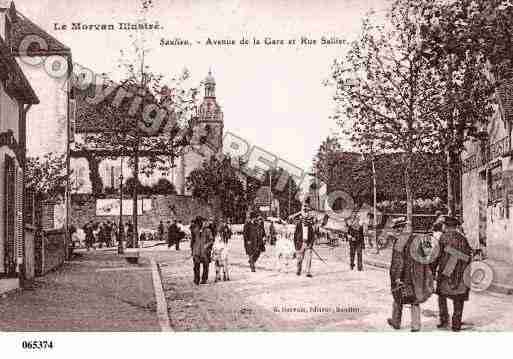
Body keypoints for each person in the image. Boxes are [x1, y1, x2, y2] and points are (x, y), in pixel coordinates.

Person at [387, 221, 434, 332]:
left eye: (397, 229)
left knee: (398, 298)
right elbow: (427, 256)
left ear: (400, 229)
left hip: (404, 276)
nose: (396, 231)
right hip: (417, 276)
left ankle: (396, 322)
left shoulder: (400, 241)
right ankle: (416, 326)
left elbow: (398, 261)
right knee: (415, 299)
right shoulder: (418, 239)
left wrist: (397, 276)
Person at [432, 216, 472, 332]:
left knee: (441, 295)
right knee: (458, 298)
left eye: (444, 224)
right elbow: (468, 256)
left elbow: (436, 256)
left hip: (447, 273)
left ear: (446, 226)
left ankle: (444, 320)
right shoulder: (462, 238)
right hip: (461, 273)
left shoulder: (443, 238)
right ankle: (456, 324)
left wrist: (432, 270)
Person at [190, 216, 214, 284]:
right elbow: (192, 241)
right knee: (196, 266)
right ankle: (196, 279)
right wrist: (192, 250)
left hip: (205, 252)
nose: (200, 224)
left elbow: (211, 240)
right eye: (198, 223)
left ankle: (204, 279)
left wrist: (207, 245)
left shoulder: (208, 231)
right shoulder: (195, 230)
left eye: (200, 222)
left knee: (205, 266)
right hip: (196, 251)